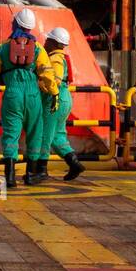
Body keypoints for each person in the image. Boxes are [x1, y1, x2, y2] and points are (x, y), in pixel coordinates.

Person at [0, 7, 59, 188]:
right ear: (30, 28)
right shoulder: (38, 48)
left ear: (15, 23)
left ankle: (9, 177)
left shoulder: (2, 47)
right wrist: (54, 92)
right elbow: (47, 73)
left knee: (11, 133)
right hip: (33, 95)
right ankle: (30, 175)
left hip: (12, 95)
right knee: (35, 133)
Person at [32, 26, 86, 182]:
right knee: (58, 135)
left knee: (44, 134)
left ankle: (41, 170)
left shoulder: (55, 58)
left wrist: (39, 84)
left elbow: (54, 80)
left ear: (54, 42)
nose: (45, 42)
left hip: (54, 99)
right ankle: (74, 163)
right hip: (65, 98)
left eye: (47, 39)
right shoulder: (62, 57)